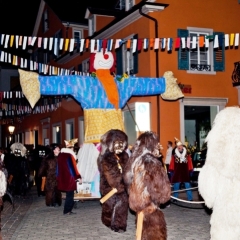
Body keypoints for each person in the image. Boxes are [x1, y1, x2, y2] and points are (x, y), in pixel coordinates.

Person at [57, 138, 82, 215]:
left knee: (68, 194)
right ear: (72, 148)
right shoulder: (70, 156)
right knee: (70, 195)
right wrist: (78, 177)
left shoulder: (60, 155)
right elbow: (73, 168)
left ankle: (67, 210)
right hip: (69, 178)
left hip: (63, 177)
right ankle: (67, 210)